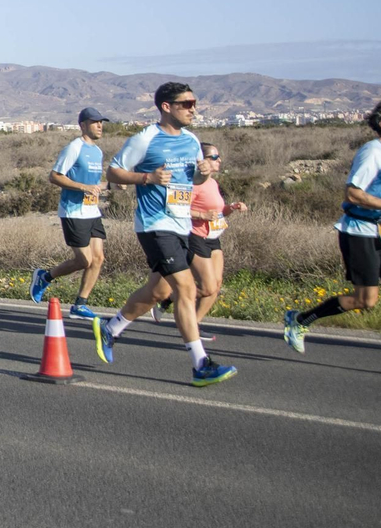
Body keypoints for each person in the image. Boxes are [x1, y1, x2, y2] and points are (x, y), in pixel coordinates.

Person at [92, 82, 237, 386]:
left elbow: (193, 180)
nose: (192, 108)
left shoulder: (192, 141)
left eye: (194, 103)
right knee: (185, 288)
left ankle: (111, 327)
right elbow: (114, 172)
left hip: (182, 224)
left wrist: (202, 174)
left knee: (159, 292)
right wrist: (147, 177)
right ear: (166, 107)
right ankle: (201, 365)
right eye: (186, 104)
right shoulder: (146, 139)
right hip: (155, 225)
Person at [283, 100, 381, 376]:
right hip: (360, 232)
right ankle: (300, 320)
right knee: (366, 300)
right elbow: (353, 193)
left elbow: (380, 196)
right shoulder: (373, 152)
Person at [148, 141, 247, 338]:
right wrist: (202, 216)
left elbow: (219, 211)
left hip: (213, 237)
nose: (219, 160)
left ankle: (194, 324)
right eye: (214, 157)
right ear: (202, 161)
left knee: (215, 287)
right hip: (195, 236)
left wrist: (232, 208)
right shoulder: (192, 184)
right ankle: (169, 298)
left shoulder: (212, 183)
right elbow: (177, 208)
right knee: (207, 286)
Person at [30, 108, 110, 319]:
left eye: (101, 122)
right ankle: (45, 276)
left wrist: (110, 185)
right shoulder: (74, 148)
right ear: (83, 125)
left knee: (98, 258)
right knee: (84, 260)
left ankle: (80, 305)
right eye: (95, 122)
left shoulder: (98, 152)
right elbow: (55, 176)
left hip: (92, 211)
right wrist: (82, 187)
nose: (100, 126)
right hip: (73, 212)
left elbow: (93, 185)